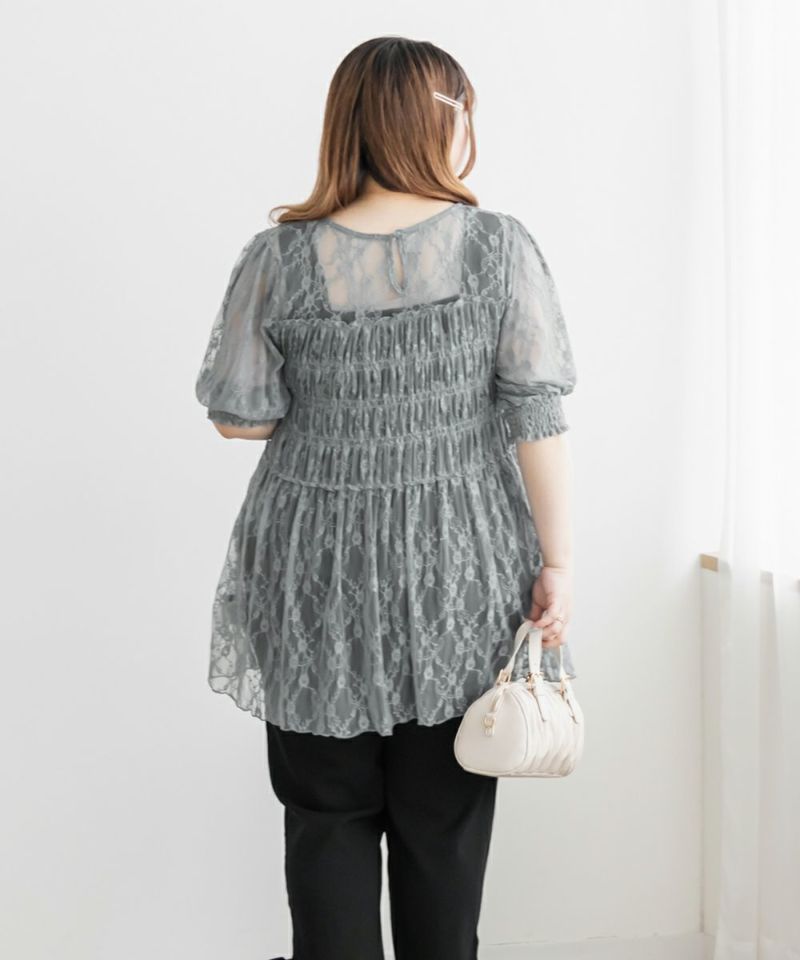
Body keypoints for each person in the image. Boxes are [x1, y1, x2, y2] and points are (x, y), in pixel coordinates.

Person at [195, 35, 578, 960]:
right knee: (443, 828)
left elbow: (240, 418)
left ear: (347, 123)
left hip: (313, 568)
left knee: (324, 819)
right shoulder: (497, 248)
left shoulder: (280, 256)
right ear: (442, 121)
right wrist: (559, 561)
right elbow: (537, 413)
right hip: (461, 568)